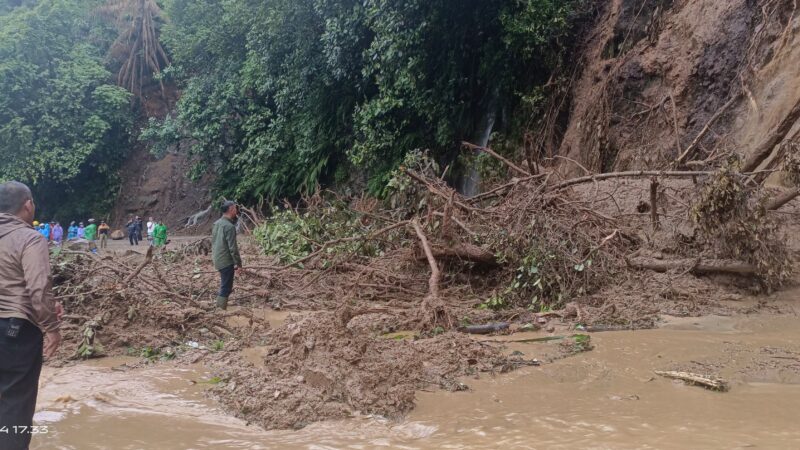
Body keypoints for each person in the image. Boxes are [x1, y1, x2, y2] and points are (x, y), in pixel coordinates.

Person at [0, 181, 62, 450]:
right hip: (15, 332)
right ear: (28, 205)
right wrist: (51, 328)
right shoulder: (29, 237)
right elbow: (38, 288)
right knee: (15, 408)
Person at [211, 201, 242, 310]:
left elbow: (214, 242)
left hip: (217, 259)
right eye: (235, 209)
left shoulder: (217, 223)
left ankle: (219, 309)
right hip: (225, 261)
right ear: (231, 209)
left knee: (224, 285)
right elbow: (233, 248)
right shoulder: (229, 226)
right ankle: (219, 312)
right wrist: (238, 264)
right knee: (226, 287)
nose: (236, 211)